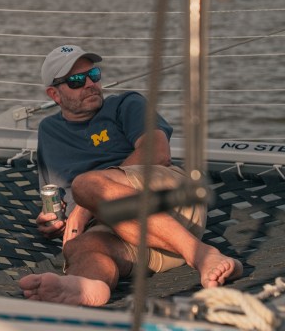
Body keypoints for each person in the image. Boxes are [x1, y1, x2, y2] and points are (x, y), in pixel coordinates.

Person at [18, 45, 242, 306]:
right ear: (54, 94)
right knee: (80, 248)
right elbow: (55, 196)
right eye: (77, 80)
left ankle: (202, 255)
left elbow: (158, 153)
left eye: (94, 74)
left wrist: (83, 205)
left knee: (87, 184)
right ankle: (89, 287)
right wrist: (50, 222)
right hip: (145, 241)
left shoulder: (125, 104)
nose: (90, 84)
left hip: (171, 202)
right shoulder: (49, 132)